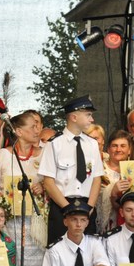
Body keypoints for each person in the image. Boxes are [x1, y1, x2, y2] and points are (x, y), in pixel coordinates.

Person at [0, 111, 48, 266]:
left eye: (38, 125)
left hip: (35, 222)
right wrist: (0, 196)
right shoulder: (4, 154)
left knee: (36, 265)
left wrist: (43, 186)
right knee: (13, 260)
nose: (37, 130)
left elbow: (54, 180)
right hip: (11, 222)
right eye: (32, 126)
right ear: (18, 131)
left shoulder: (45, 152)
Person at [40, 95, 105, 244]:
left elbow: (96, 178)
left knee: (88, 251)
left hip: (86, 206)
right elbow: (48, 182)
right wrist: (67, 209)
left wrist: (90, 207)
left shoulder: (92, 144)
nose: (92, 119)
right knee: (59, 251)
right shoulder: (54, 144)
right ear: (74, 117)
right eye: (88, 115)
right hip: (62, 207)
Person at [98, 130, 132, 233]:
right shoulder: (99, 169)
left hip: (129, 224)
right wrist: (112, 191)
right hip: (102, 225)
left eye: (123, 146)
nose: (118, 149)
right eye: (114, 146)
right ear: (108, 149)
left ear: (129, 150)